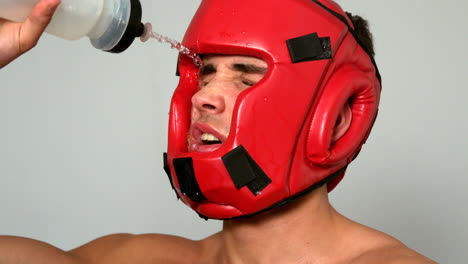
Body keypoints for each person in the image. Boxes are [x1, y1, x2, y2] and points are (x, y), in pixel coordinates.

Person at [0, 0, 437, 263]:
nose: (202, 98)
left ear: (336, 119)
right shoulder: (143, 258)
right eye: (205, 75)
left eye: (246, 77)